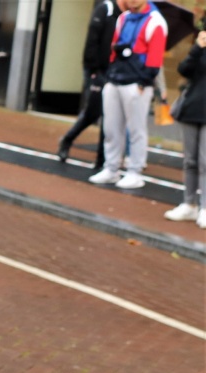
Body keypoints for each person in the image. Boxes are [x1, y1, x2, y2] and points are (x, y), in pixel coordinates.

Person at [89, 0, 166, 189]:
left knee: (136, 130)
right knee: (111, 128)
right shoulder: (123, 17)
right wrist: (111, 72)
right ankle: (111, 168)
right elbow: (115, 46)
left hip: (136, 83)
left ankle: (135, 172)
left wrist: (143, 82)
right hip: (115, 79)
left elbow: (155, 58)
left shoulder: (156, 21)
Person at [58, 0, 125, 166]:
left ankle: (101, 159)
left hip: (114, 72)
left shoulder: (129, 16)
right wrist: (94, 71)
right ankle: (67, 139)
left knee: (109, 115)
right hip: (97, 71)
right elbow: (92, 40)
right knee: (93, 112)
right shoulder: (105, 10)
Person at [164, 27, 206, 227]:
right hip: (191, 108)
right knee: (190, 160)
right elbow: (184, 70)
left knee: (205, 161)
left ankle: (205, 208)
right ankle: (189, 205)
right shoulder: (200, 47)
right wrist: (197, 47)